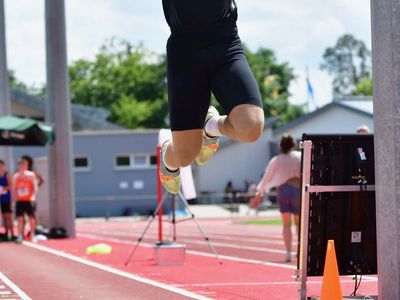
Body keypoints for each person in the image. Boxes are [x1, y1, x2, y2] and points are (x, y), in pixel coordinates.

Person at [160, 0, 265, 194]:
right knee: (185, 156)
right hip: (185, 53)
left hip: (225, 43)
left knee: (251, 128)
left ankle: (212, 126)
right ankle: (167, 162)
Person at [253, 134, 301, 262]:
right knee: (298, 224)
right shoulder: (299, 157)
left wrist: (259, 195)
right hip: (297, 190)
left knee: (286, 224)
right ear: (293, 145)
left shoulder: (276, 160)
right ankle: (300, 251)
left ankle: (288, 253)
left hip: (283, 190)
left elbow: (266, 178)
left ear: (280, 145)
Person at [13, 158, 38, 243]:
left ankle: (32, 235)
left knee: (31, 217)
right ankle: (20, 235)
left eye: (23, 165)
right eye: (20, 165)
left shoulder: (31, 175)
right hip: (20, 200)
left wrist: (33, 197)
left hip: (29, 199)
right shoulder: (16, 176)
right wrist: (14, 200)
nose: (21, 166)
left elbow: (35, 187)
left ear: (26, 166)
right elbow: (14, 189)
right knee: (20, 218)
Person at [0, 160, 14, 240]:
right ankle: (6, 233)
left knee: (9, 217)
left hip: (7, 198)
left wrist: (3, 189)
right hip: (1, 198)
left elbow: (11, 185)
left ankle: (12, 234)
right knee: (4, 217)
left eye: (1, 166)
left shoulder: (7, 174)